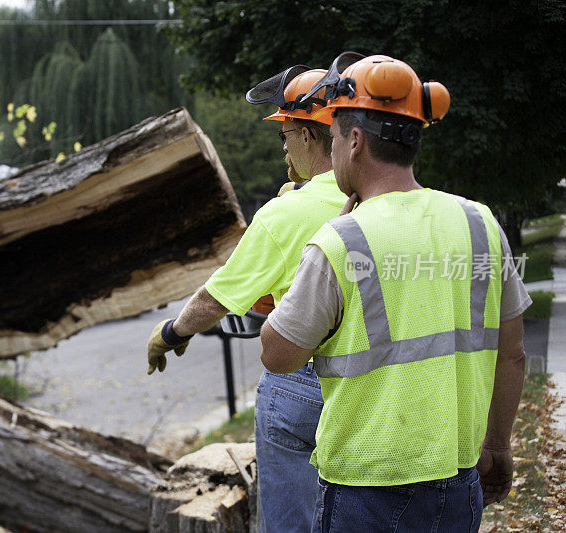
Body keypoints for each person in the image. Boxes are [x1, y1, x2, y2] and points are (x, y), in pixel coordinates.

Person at [259, 53, 530, 532]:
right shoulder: (479, 223)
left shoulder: (340, 240)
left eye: (336, 135)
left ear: (355, 141)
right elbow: (512, 356)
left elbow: (278, 355)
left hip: (366, 492)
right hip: (458, 479)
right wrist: (499, 447)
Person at [146, 67, 347, 532]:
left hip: (301, 380)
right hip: (367, 380)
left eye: (286, 133)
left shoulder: (285, 212)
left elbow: (216, 299)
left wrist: (171, 332)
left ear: (309, 137)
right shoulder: (375, 198)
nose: (283, 145)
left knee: (290, 522)